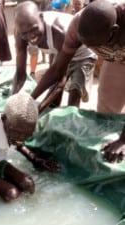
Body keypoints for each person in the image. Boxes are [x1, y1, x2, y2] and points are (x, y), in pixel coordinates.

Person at [30, 0, 125, 163]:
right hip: (115, 58)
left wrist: (123, 140)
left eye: (94, 45)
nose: (90, 49)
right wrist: (29, 103)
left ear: (113, 31)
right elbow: (57, 69)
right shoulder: (78, 25)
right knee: (106, 114)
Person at [12, 1, 97, 109]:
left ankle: (71, 119)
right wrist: (12, 102)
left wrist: (33, 104)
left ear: (41, 18)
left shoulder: (59, 31)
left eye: (34, 29)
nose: (30, 36)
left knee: (74, 92)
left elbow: (59, 74)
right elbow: (20, 73)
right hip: (60, 52)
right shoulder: (20, 33)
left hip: (83, 54)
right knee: (52, 100)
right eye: (25, 33)